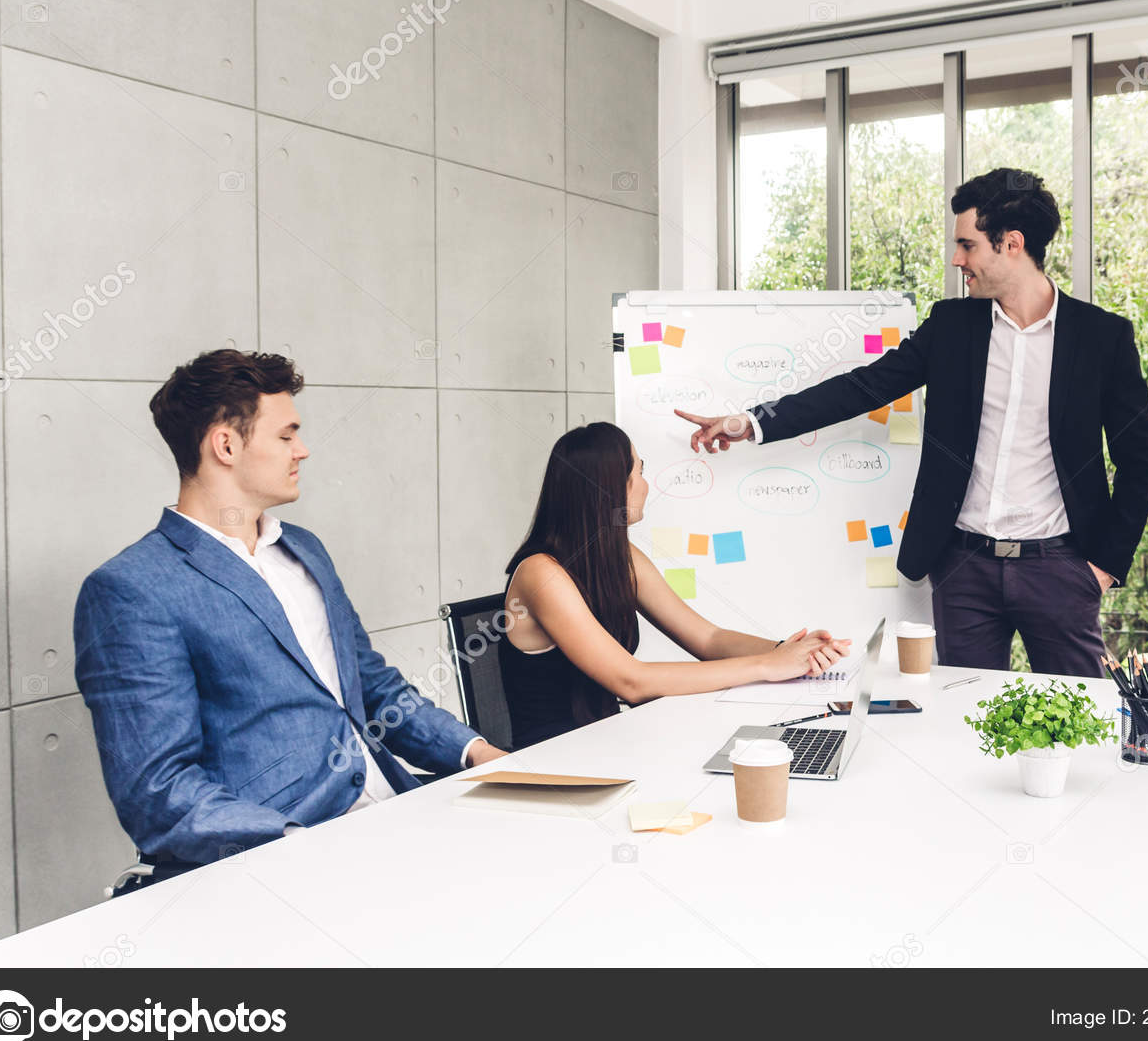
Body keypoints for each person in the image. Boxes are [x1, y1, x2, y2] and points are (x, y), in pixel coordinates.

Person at [677, 167, 1148, 679]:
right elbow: (863, 387)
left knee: (1077, 711)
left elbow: (1138, 459)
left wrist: (1104, 567)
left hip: (1061, 569)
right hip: (964, 571)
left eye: (967, 246)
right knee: (963, 713)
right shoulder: (951, 327)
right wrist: (752, 422)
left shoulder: (1102, 338)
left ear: (1012, 244)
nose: (957, 260)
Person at [74, 350, 504, 886]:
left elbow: (375, 690)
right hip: (290, 859)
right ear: (225, 445)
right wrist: (301, 844)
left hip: (396, 812)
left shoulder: (305, 550)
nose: (302, 450)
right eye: (285, 436)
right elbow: (158, 792)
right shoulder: (132, 589)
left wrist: (479, 753)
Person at [501, 422, 851, 749]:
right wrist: (767, 666)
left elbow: (708, 639)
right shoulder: (540, 574)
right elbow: (632, 682)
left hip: (609, 744)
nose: (645, 484)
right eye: (639, 472)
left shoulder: (620, 556)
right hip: (554, 762)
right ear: (611, 486)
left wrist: (790, 651)